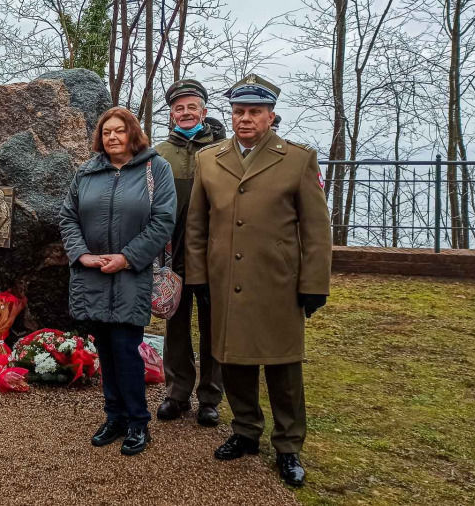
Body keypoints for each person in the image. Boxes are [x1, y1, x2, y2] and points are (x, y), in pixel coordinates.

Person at [184, 74, 332, 487]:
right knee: (233, 361)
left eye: (253, 112)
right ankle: (246, 431)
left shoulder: (298, 158)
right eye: (238, 112)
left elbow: (317, 228)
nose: (244, 119)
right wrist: (197, 275)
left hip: (277, 282)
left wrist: (315, 283)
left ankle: (288, 446)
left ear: (270, 116)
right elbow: (197, 224)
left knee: (284, 368)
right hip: (224, 279)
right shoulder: (209, 158)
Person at [59, 107, 176, 456]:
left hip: (131, 275)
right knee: (106, 350)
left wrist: (127, 257)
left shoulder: (157, 169)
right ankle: (114, 416)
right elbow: (68, 217)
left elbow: (163, 221)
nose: (112, 137)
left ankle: (138, 422)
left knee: (127, 349)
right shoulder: (86, 172)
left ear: (132, 134)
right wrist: (82, 254)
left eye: (119, 131)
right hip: (92, 274)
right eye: (106, 131)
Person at [153, 79, 226, 427]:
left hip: (214, 254)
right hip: (174, 254)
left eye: (191, 107)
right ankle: (177, 392)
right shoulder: (160, 154)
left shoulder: (222, 151)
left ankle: (210, 396)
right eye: (179, 108)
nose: (185, 113)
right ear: (171, 114)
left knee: (214, 327)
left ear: (204, 111)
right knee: (176, 325)